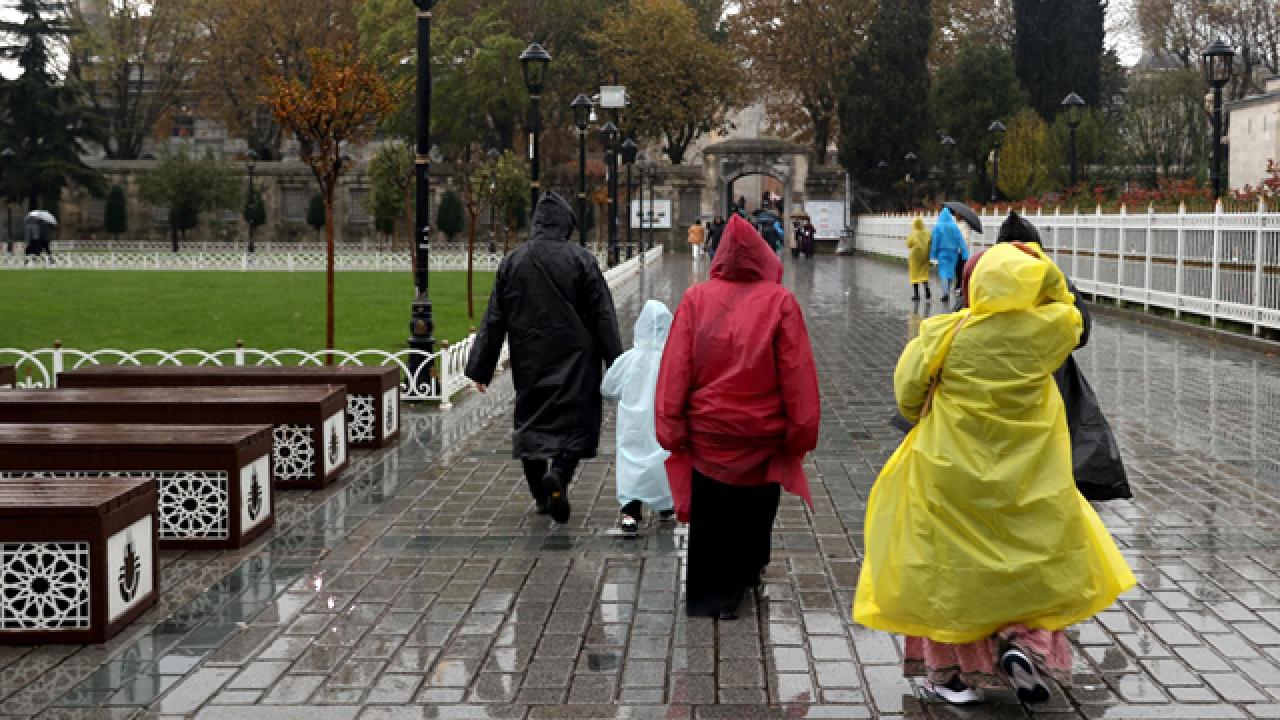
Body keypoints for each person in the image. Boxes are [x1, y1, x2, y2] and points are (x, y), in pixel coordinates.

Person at [854, 241, 1135, 706]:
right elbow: (1069, 306)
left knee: (951, 569)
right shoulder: (1048, 332)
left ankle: (953, 676)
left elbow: (907, 398)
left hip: (948, 472)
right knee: (1028, 559)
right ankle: (1024, 644)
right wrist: (1037, 264)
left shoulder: (944, 333)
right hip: (1030, 472)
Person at [656, 214, 821, 620]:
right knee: (756, 508)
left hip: (710, 433)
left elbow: (676, 368)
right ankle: (747, 572)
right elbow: (796, 374)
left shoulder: (696, 300)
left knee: (712, 515)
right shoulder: (780, 302)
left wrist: (670, 427)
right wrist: (801, 433)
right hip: (762, 434)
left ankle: (712, 592)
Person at [465, 191, 624, 524]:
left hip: (530, 354)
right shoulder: (581, 260)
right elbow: (603, 316)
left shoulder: (513, 261)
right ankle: (561, 474)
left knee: (532, 425)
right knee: (576, 421)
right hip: (577, 357)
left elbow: (495, 316)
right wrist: (617, 364)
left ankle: (541, 494)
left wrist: (482, 366)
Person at [601, 300, 676, 535]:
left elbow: (608, 387)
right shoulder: (673, 361)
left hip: (632, 423)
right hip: (663, 421)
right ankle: (665, 504)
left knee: (630, 463)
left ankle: (630, 511)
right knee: (663, 460)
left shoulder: (629, 359)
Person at [928, 207, 968, 303]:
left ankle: (945, 293)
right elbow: (961, 240)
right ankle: (947, 291)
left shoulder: (938, 227)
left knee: (943, 273)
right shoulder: (954, 227)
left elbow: (935, 242)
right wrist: (965, 253)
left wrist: (933, 255)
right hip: (953, 253)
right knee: (950, 273)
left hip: (942, 253)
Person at [906, 217, 932, 300]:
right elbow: (931, 242)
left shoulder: (913, 234)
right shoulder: (927, 233)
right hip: (925, 255)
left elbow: (908, 245)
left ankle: (916, 295)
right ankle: (927, 290)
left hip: (915, 256)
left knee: (914, 274)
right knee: (924, 273)